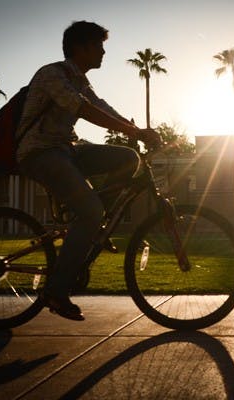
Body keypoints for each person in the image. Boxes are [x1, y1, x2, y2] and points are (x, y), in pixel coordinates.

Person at [16, 20, 161, 321]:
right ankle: (55, 292)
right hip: (40, 152)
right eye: (99, 45)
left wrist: (138, 131)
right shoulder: (51, 74)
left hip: (67, 149)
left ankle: (95, 224)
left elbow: (101, 106)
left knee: (128, 158)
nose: (104, 52)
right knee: (90, 211)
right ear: (80, 47)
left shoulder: (80, 79)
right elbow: (83, 109)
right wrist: (135, 132)